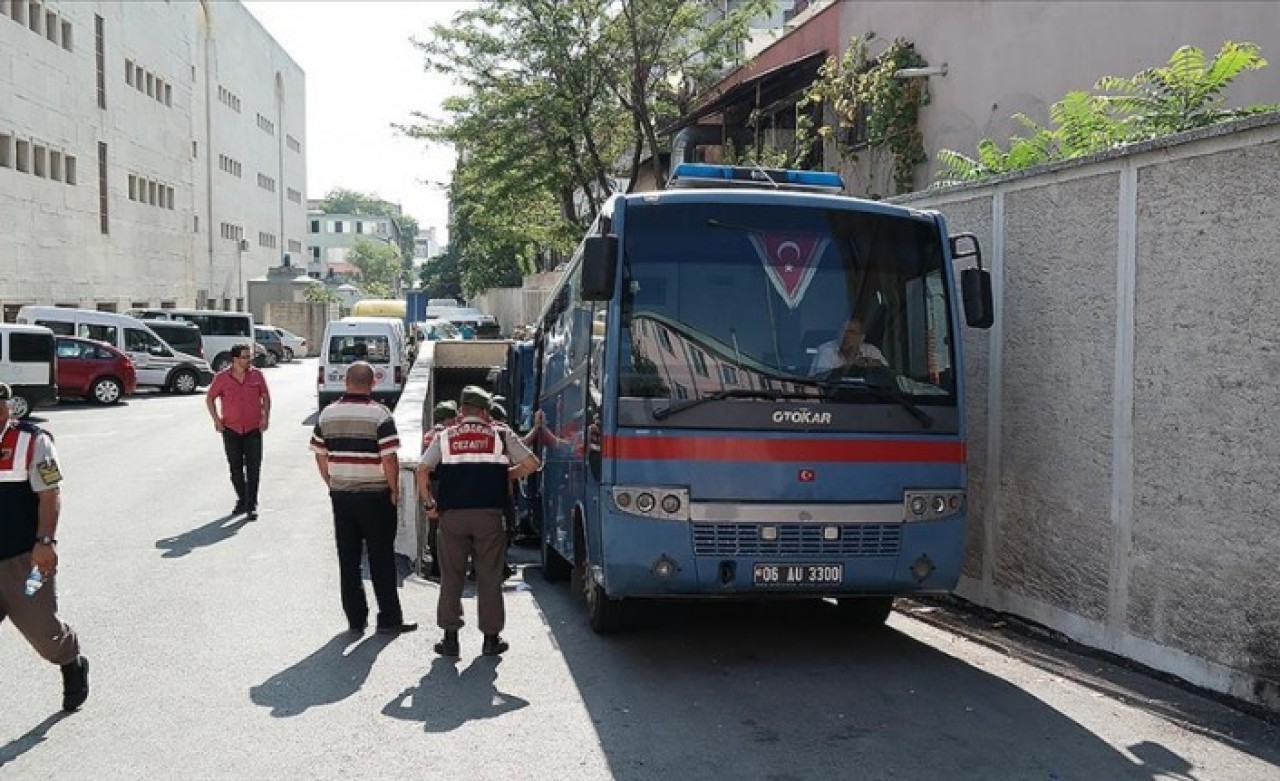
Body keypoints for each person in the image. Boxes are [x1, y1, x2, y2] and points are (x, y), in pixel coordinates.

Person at [420, 385, 539, 657]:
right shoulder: (499, 433)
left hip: (452, 517)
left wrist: (430, 505)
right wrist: (504, 475)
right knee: (489, 576)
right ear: (485, 412)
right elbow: (532, 463)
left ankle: (450, 639)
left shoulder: (446, 435)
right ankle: (490, 639)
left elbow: (422, 469)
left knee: (451, 576)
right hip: (489, 516)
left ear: (461, 411)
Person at [0, 382, 90, 712]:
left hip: (24, 560)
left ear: (9, 409)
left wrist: (45, 543)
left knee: (46, 637)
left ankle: (71, 661)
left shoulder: (33, 441)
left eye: (1, 408)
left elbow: (50, 495)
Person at [310, 362, 417, 636]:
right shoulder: (380, 415)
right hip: (376, 496)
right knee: (381, 558)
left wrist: (333, 483)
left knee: (348, 559)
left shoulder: (327, 415)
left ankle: (356, 620)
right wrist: (395, 490)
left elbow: (320, 455)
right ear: (372, 384)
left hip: (342, 495)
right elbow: (389, 457)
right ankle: (389, 618)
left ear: (346, 382)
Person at [205, 342, 271, 519]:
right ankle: (242, 499)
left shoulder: (257, 375)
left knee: (253, 467)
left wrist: (266, 417)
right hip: (231, 429)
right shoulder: (221, 378)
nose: (248, 359)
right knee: (235, 468)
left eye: (249, 356)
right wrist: (217, 420)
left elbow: (265, 396)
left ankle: (251, 504)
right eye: (245, 357)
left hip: (253, 428)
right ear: (234, 359)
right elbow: (210, 398)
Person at [414, 400, 458, 580]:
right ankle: (451, 568)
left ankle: (436, 569)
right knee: (454, 528)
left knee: (435, 527)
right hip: (451, 484)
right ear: (450, 418)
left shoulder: (428, 436)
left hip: (432, 484)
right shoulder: (451, 434)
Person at [809, 317, 888, 375]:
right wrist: (852, 366)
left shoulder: (871, 350)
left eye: (852, 332)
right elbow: (820, 379)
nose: (845, 335)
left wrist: (875, 365)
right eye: (842, 330)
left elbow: (887, 375)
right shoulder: (826, 350)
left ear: (862, 337)